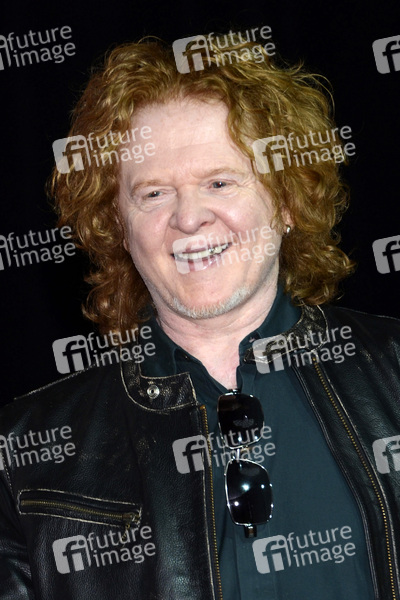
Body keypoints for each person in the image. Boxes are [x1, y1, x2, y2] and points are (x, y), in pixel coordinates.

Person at [1, 35, 400, 600]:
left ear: (287, 199)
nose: (188, 218)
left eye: (219, 182)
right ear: (118, 226)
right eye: (154, 193)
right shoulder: (23, 455)